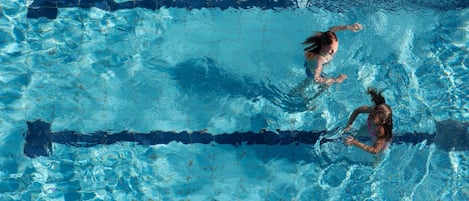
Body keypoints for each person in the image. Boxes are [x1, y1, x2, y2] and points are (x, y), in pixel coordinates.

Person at [343, 88, 393, 154]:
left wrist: (355, 143)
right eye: (371, 113)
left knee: (380, 155)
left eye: (372, 117)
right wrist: (349, 125)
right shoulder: (374, 111)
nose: (370, 116)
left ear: (382, 122)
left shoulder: (381, 132)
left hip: (376, 135)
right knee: (354, 136)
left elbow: (375, 151)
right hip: (369, 128)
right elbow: (357, 110)